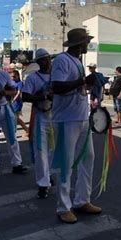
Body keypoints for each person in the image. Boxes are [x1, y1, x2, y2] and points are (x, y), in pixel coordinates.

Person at [51, 28, 102, 224]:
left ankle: (82, 200)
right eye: (86, 41)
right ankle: (63, 207)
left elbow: (77, 87)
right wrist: (82, 81)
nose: (87, 44)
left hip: (81, 118)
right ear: (78, 43)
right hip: (66, 119)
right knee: (66, 163)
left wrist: (87, 84)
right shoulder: (62, 60)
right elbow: (57, 87)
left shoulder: (78, 61)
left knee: (88, 158)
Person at [22, 48, 54, 199]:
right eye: (43, 60)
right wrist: (38, 97)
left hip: (55, 116)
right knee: (40, 150)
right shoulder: (32, 78)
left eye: (47, 59)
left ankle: (48, 175)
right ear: (38, 62)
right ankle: (43, 184)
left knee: (52, 150)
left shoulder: (57, 76)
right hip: (40, 116)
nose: (46, 62)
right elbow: (25, 96)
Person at [10, 70, 29, 137]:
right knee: (14, 118)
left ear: (18, 76)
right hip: (11, 102)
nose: (12, 78)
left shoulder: (20, 83)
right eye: (11, 77)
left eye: (14, 76)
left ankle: (26, 130)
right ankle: (26, 130)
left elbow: (19, 93)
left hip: (17, 102)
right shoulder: (12, 82)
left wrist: (14, 99)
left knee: (16, 118)